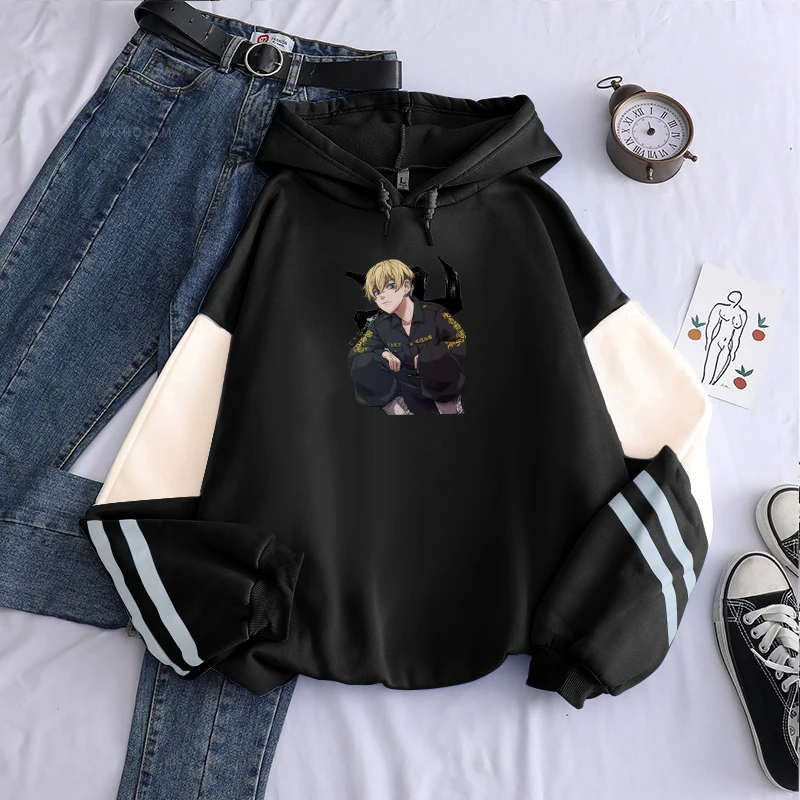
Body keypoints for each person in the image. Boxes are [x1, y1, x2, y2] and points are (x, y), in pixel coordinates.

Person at [348, 259, 466, 414]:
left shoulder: (435, 314)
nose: (382, 296)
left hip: (441, 387)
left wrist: (429, 354)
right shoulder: (379, 325)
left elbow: (460, 341)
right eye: (376, 292)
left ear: (406, 286)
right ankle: (398, 411)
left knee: (432, 356)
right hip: (406, 388)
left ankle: (450, 407)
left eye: (390, 286)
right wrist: (382, 353)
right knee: (362, 362)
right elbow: (357, 352)